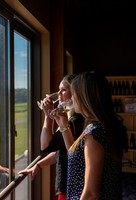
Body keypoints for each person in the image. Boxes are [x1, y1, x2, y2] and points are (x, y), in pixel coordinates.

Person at [50, 71, 128, 199]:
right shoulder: (104, 127)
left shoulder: (94, 133)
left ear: (84, 97)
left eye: (74, 94)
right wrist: (63, 125)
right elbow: (75, 155)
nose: (72, 99)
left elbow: (91, 194)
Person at [19, 74, 84, 200]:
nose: (58, 94)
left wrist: (48, 115)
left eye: (63, 90)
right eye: (58, 89)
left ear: (75, 93)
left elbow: (46, 145)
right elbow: (64, 150)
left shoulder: (74, 121)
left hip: (70, 185)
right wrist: (38, 165)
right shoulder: (72, 119)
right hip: (71, 184)